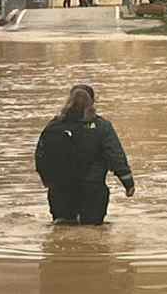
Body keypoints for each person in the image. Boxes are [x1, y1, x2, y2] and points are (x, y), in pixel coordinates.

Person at [35, 85, 134, 225]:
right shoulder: (101, 127)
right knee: (92, 232)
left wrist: (47, 180)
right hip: (93, 191)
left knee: (63, 229)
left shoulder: (54, 125)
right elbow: (115, 156)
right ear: (92, 102)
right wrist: (128, 183)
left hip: (60, 190)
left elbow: (40, 155)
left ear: (68, 100)